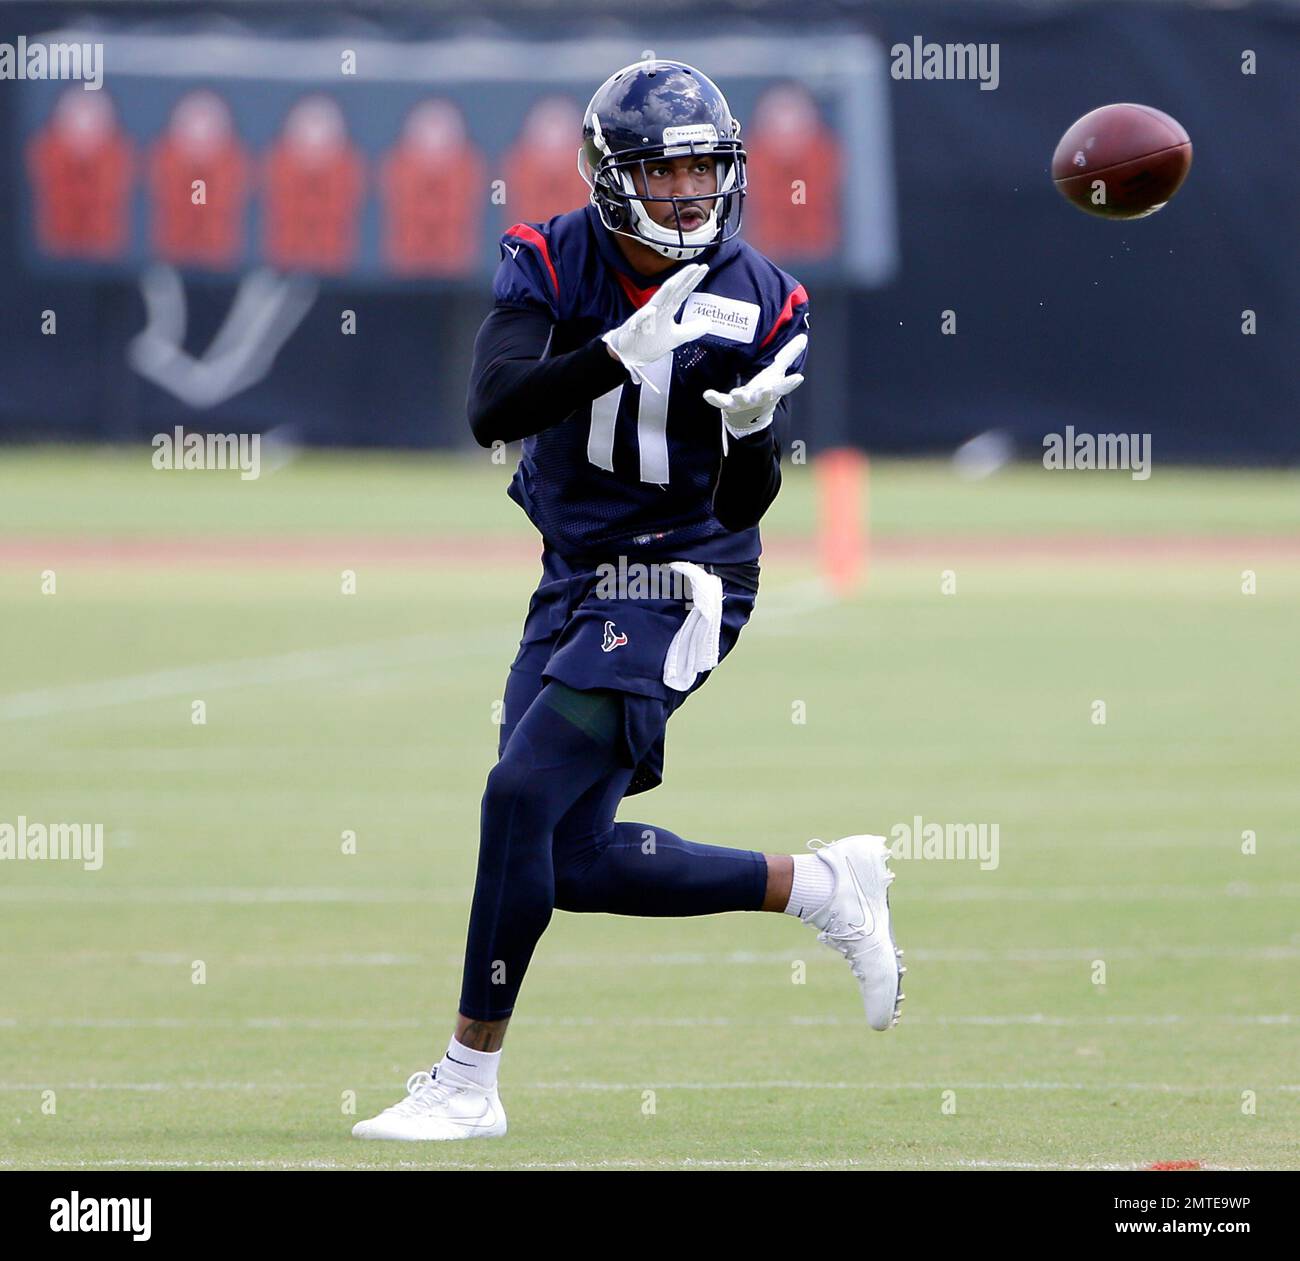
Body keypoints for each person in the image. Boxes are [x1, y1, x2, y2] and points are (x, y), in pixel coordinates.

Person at [353, 60, 904, 1143]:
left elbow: (745, 500)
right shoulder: (550, 260)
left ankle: (468, 1081)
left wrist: (751, 439)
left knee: (517, 796)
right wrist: (610, 351)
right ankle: (821, 884)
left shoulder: (763, 297)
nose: (692, 194)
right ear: (613, 179)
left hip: (684, 571)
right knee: (562, 857)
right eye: (667, 172)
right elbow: (491, 408)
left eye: (706, 170)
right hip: (575, 570)